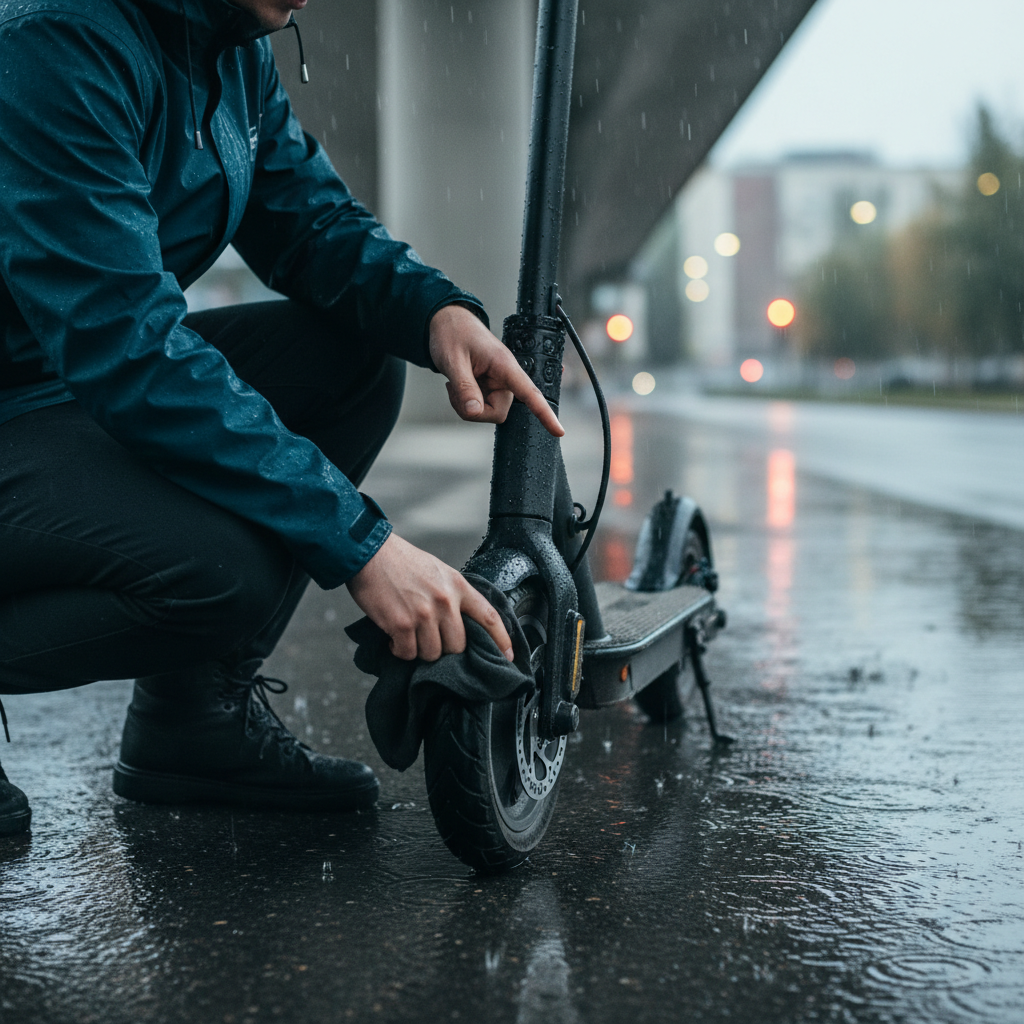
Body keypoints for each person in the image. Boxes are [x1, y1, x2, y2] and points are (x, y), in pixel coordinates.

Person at [0, 0, 563, 836]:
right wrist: (361, 544)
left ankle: (191, 724)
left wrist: (436, 313)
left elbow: (311, 224)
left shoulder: (230, 48)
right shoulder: (54, 40)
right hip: (45, 388)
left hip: (55, 383)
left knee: (353, 357)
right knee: (219, 572)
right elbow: (126, 347)